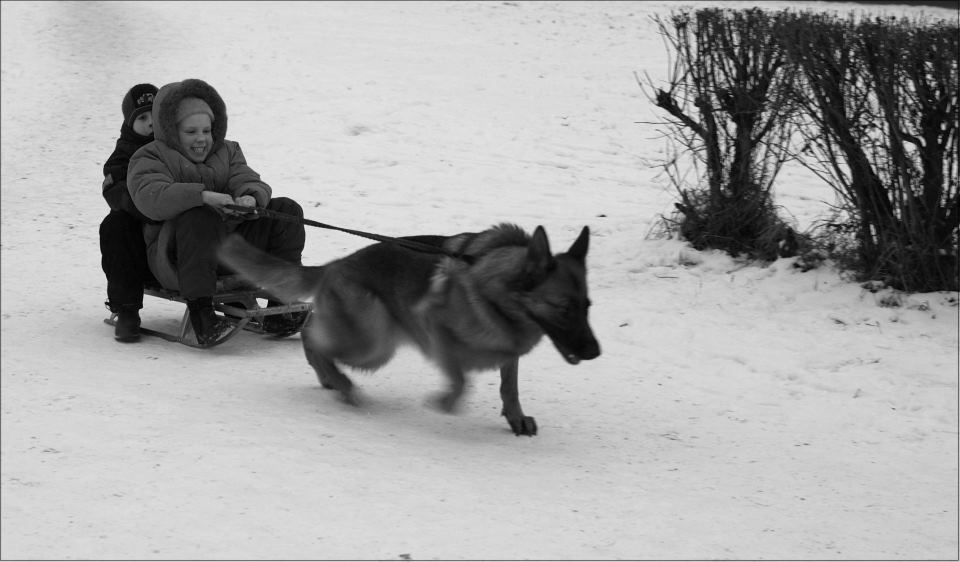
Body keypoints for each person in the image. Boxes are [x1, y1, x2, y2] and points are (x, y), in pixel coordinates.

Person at [127, 78, 306, 345]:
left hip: (227, 248)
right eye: (191, 132)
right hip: (178, 257)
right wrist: (201, 197)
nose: (201, 139)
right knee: (199, 216)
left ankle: (280, 305)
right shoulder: (149, 158)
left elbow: (247, 178)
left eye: (206, 131)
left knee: (286, 210)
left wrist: (249, 197)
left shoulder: (228, 150)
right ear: (171, 130)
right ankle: (203, 316)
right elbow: (151, 198)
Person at [100, 83, 161, 342]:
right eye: (142, 118)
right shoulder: (123, 155)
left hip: (177, 235)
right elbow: (115, 189)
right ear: (129, 122)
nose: (150, 124)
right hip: (141, 242)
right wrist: (148, 205)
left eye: (155, 117)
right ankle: (126, 309)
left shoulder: (182, 144)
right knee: (116, 225)